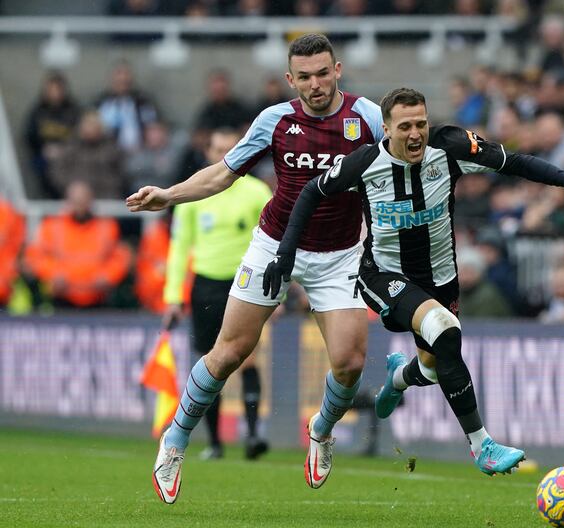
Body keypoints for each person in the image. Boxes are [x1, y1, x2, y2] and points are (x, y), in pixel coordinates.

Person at [264, 88, 564, 476]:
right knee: (446, 331)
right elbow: (311, 192)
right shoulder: (365, 163)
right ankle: (482, 446)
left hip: (442, 280)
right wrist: (285, 253)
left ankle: (397, 379)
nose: (416, 134)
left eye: (421, 124)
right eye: (406, 126)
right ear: (387, 129)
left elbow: (512, 162)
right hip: (384, 276)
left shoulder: (451, 146)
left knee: (432, 366)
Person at [127, 33, 384, 503]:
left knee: (348, 364)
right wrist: (168, 194)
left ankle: (321, 429)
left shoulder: (368, 118)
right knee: (229, 352)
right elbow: (222, 173)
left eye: (323, 73)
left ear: (338, 70)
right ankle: (176, 438)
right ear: (291, 80)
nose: (315, 84)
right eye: (304, 77)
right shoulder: (275, 120)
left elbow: (398, 168)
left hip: (340, 253)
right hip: (274, 246)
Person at [162, 127, 272, 461]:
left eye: (231, 148)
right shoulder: (194, 194)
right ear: (208, 153)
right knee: (210, 363)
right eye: (218, 149)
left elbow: (272, 243)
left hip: (244, 283)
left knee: (246, 357)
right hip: (206, 286)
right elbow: (179, 248)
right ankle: (215, 442)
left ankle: (252, 435)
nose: (224, 154)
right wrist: (172, 296)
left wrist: (277, 289)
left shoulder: (256, 192)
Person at [25, 181, 131, 307]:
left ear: (91, 201)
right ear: (68, 202)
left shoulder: (107, 227)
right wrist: (53, 274)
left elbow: (120, 257)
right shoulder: (52, 226)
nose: (80, 206)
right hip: (62, 298)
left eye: (83, 201)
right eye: (76, 201)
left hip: (98, 299)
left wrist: (108, 276)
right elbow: (35, 257)